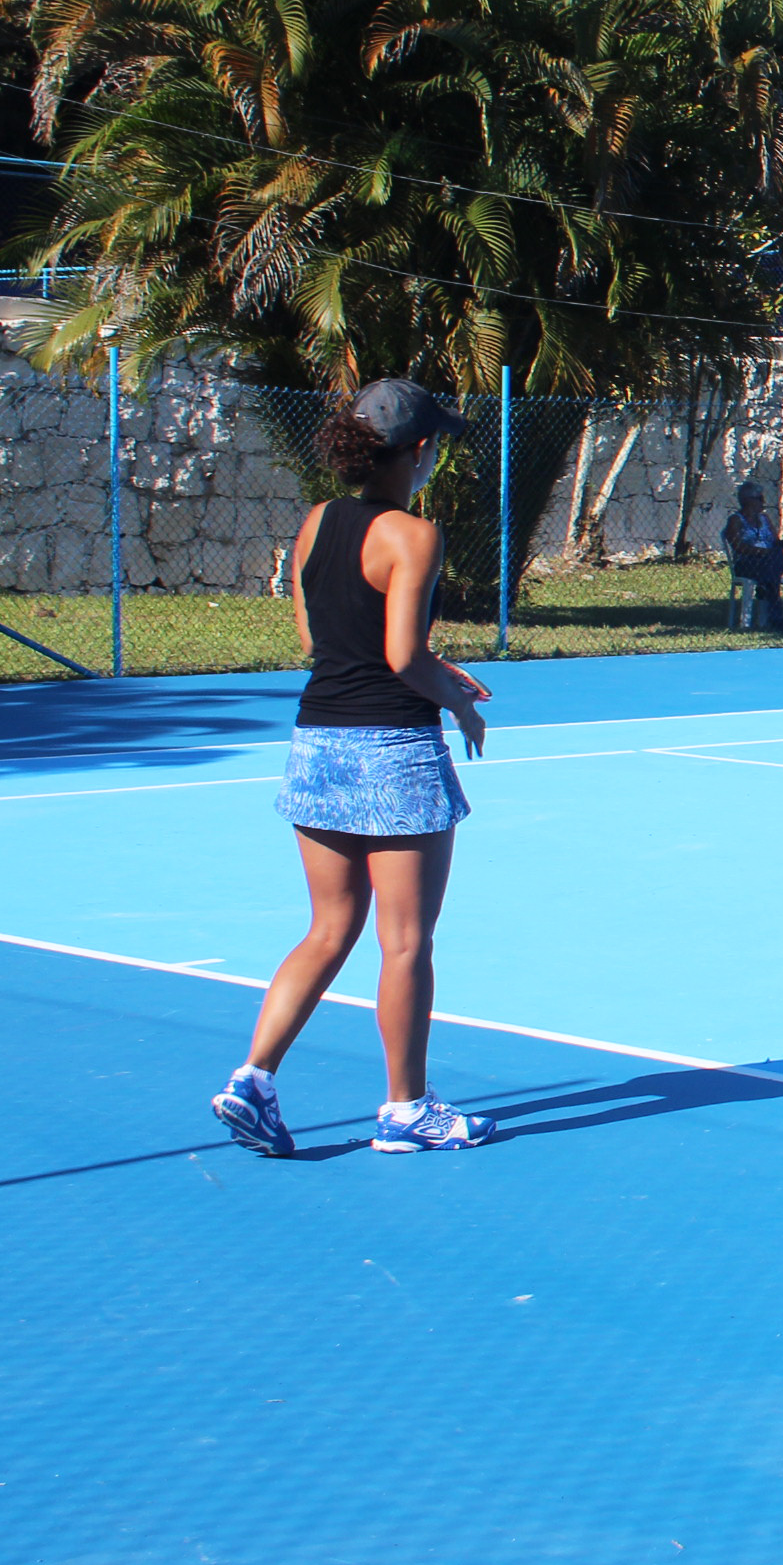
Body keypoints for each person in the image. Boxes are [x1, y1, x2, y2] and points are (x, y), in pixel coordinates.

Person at [211, 380, 498, 1157]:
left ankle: (253, 1080)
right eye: (434, 443)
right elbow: (400, 656)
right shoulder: (414, 535)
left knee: (328, 928)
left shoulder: (315, 524)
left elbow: (323, 641)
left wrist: (439, 670)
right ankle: (408, 1111)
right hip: (395, 752)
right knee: (405, 942)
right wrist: (458, 703)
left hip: (317, 747)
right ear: (417, 451)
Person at [722, 481, 783, 629]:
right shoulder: (736, 520)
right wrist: (759, 552)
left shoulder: (764, 519)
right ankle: (776, 618)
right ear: (749, 500)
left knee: (774, 558)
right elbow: (737, 546)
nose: (763, 502)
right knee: (772, 569)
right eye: (760, 498)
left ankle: (767, 588)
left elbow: (775, 543)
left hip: (769, 562)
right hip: (748, 562)